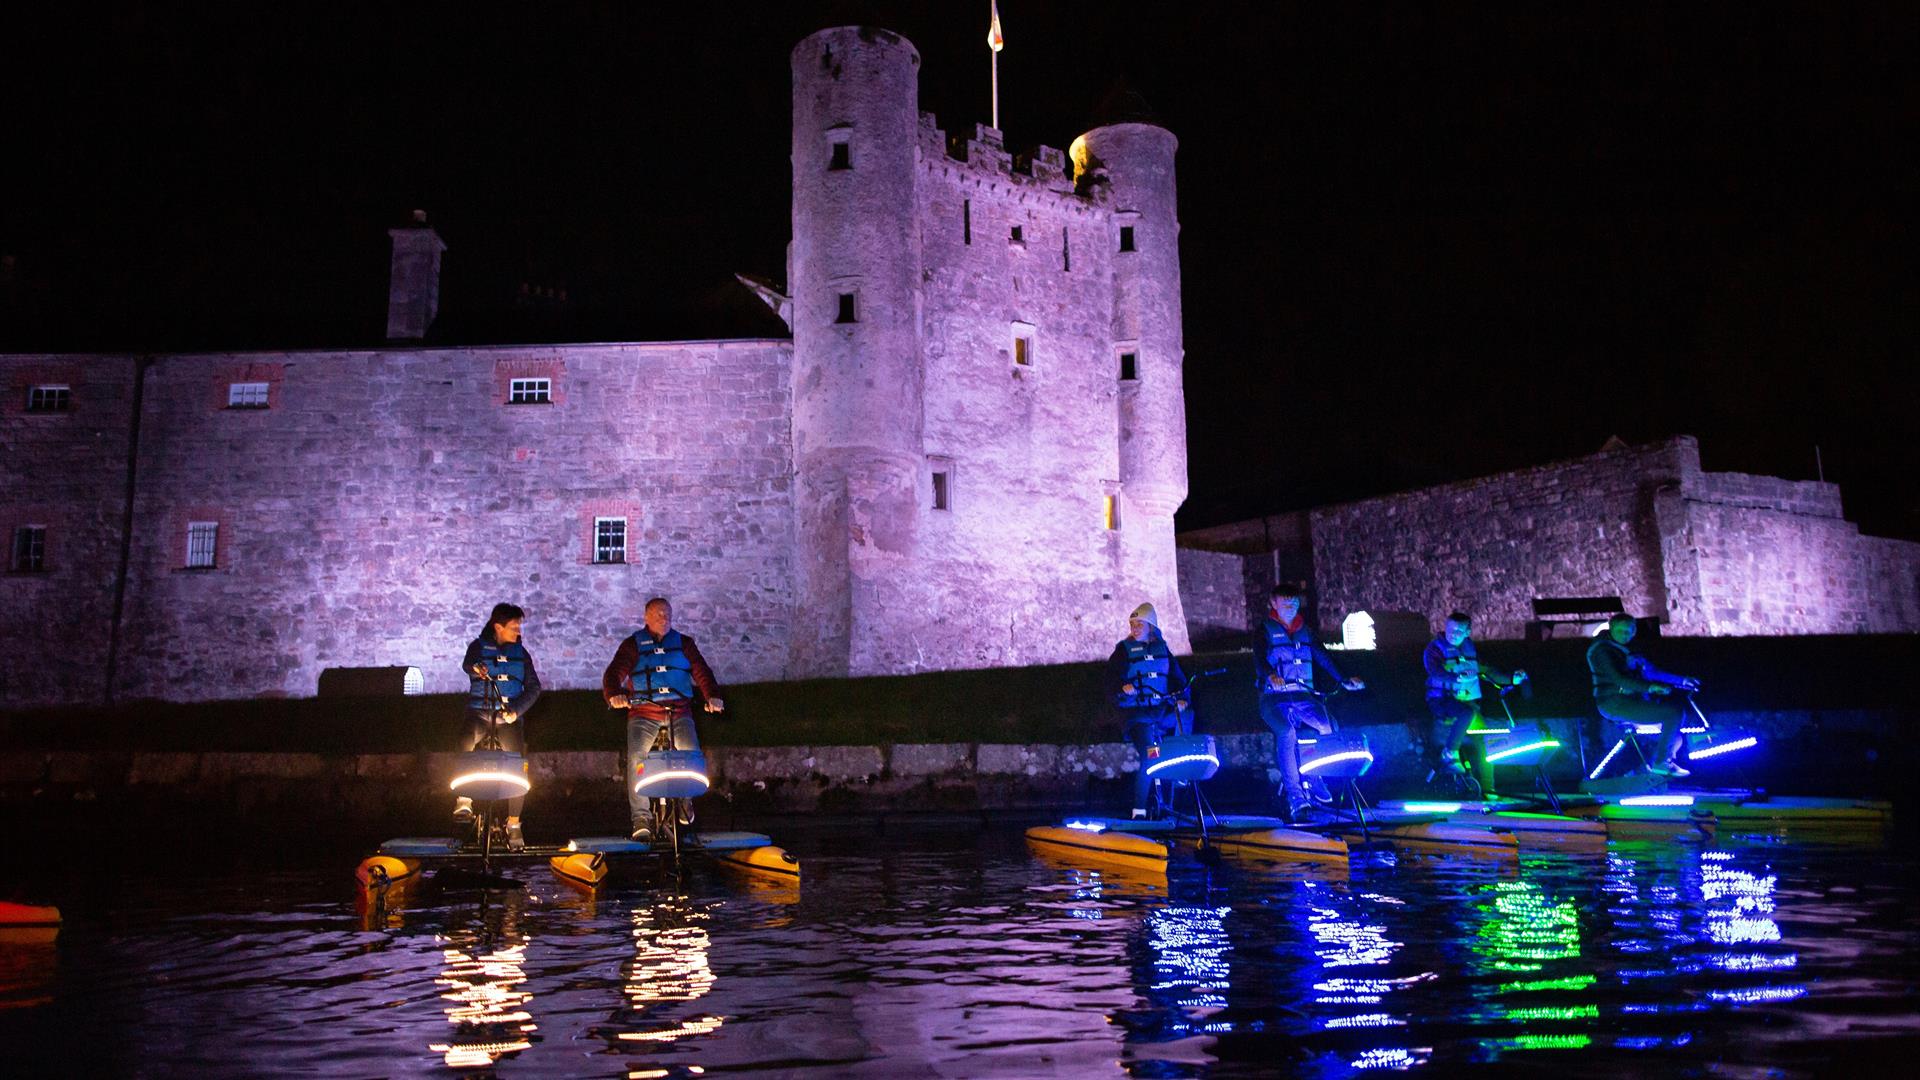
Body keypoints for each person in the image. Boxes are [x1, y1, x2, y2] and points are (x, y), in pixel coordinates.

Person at [602, 597, 726, 843]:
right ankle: (641, 818)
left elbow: (702, 671)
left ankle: (684, 803)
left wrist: (712, 696)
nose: (664, 619)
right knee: (637, 758)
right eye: (658, 615)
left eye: (667, 614)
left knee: (691, 753)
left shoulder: (684, 643)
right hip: (644, 713)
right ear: (646, 618)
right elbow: (614, 672)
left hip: (679, 711)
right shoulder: (632, 645)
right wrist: (614, 695)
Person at [1257, 586, 1365, 823]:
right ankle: (1295, 797)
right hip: (1274, 699)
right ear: (1273, 604)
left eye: (1294, 602)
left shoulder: (1306, 631)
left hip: (1303, 697)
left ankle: (1315, 775)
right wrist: (1270, 676)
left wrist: (1343, 679)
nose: (1291, 607)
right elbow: (1259, 660)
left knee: (1327, 726)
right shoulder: (1264, 630)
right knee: (1286, 733)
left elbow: (1323, 657)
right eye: (1286, 602)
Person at [458, 602, 542, 851]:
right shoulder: (477, 647)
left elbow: (534, 688)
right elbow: (468, 664)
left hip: (507, 717)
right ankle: (463, 799)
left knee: (518, 763)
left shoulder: (522, 654)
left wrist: (516, 710)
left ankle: (514, 823)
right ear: (498, 627)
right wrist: (476, 668)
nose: (518, 631)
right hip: (480, 713)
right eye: (514, 626)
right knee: (465, 740)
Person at [1422, 612, 1527, 796]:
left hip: (1469, 704)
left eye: (1459, 631)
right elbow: (1434, 671)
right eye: (1451, 629)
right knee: (1466, 714)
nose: (1453, 634)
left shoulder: (1471, 651)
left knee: (1485, 742)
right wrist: (1456, 678)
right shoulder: (1434, 649)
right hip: (1443, 702)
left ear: (1467, 632)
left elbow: (1488, 672)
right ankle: (1449, 754)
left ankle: (1488, 788)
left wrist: (1512, 679)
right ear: (1445, 627)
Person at [1104, 602, 1191, 820]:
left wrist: (1182, 698)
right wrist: (1123, 688)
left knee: (1182, 726)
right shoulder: (1123, 650)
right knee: (1149, 757)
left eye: (1139, 624)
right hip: (1137, 715)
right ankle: (1139, 812)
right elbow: (1110, 682)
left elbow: (1179, 679)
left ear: (1151, 625)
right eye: (1132, 624)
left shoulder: (1164, 650)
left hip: (1161, 712)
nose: (1134, 628)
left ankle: (1170, 804)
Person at [1587, 613, 1699, 778]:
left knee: (1676, 738)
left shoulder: (1631, 649)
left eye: (1628, 632)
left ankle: (1649, 770)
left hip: (1633, 701)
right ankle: (1662, 763)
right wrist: (1651, 687)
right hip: (1614, 703)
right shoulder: (1601, 650)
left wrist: (1682, 680)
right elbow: (1619, 679)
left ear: (1634, 632)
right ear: (1611, 629)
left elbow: (1652, 671)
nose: (1624, 635)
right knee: (1673, 713)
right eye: (1620, 631)